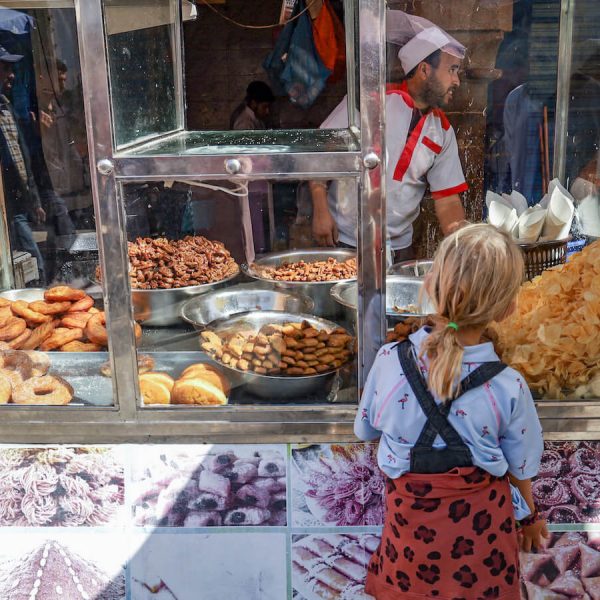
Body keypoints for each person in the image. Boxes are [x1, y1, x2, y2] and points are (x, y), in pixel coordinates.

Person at [355, 223, 547, 599]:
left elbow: (365, 430)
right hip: (483, 552)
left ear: (428, 284)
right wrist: (530, 517)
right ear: (507, 309)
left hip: (410, 546)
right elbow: (522, 468)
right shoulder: (508, 385)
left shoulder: (389, 362)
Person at [311, 11, 467, 261]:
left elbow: (447, 199)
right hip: (345, 240)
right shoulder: (371, 101)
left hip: (400, 249)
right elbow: (320, 150)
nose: (456, 81)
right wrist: (320, 209)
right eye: (452, 70)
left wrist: (462, 243)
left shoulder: (443, 131)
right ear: (425, 70)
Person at [0, 45, 46, 283]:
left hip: (18, 200)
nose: (12, 74)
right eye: (5, 68)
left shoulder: (6, 106)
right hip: (5, 206)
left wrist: (34, 200)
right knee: (33, 262)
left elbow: (21, 158)